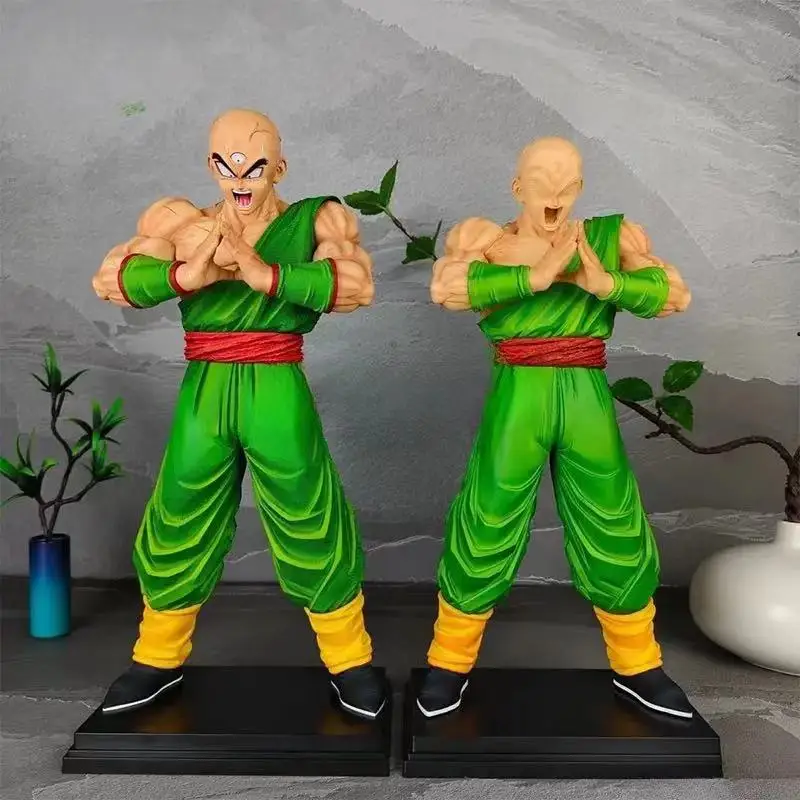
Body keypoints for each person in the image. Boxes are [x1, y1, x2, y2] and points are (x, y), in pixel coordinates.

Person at [91, 108, 386, 720]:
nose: (240, 179)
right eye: (228, 165)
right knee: (180, 508)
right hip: (206, 383)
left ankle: (349, 658)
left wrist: (262, 273)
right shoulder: (181, 221)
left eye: (255, 166)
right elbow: (113, 280)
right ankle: (157, 657)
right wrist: (185, 274)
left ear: (279, 167)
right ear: (211, 166)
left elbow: (356, 284)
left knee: (308, 509)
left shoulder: (317, 218)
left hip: (275, 380)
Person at [418, 136, 694, 720]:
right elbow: (446, 288)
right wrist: (535, 276)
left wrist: (607, 285)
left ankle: (638, 663)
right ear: (518, 187)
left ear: (581, 188)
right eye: (543, 183)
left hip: (585, 391)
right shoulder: (485, 238)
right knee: (489, 513)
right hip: (519, 390)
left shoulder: (609, 236)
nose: (556, 196)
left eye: (568, 185)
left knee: (611, 516)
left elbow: (673, 294)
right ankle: (449, 659)